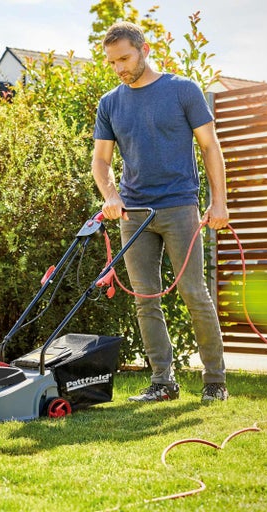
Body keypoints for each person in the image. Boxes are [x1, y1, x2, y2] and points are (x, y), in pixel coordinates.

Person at [91, 21, 230, 402]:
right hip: (133, 214)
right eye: (112, 62)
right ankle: (163, 383)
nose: (119, 67)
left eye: (124, 58)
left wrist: (219, 202)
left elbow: (210, 147)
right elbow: (101, 162)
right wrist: (111, 196)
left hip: (179, 206)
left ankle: (215, 382)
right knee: (145, 298)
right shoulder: (110, 103)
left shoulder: (183, 91)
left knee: (193, 293)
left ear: (144, 49)